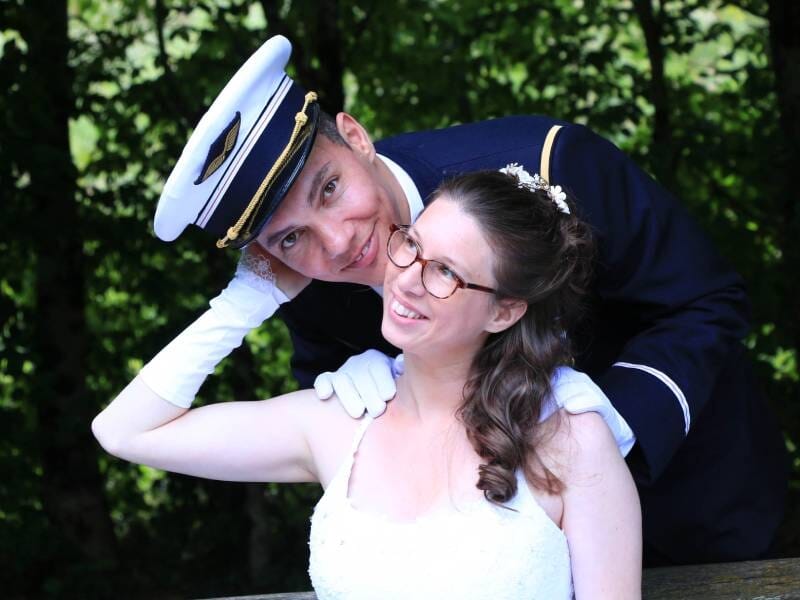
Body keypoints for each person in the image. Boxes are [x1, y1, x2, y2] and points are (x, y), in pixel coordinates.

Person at [146, 35, 786, 565]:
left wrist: (606, 430)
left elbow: (705, 301)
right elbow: (331, 385)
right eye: (289, 237)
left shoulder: (547, 166)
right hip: (501, 551)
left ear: (355, 135)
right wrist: (347, 385)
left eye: (330, 188)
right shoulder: (309, 277)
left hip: (693, 502)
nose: (338, 243)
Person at [93, 170, 642, 599]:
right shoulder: (335, 421)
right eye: (411, 245)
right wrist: (248, 299)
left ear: (504, 311)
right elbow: (124, 431)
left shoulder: (571, 442)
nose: (407, 278)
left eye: (446, 272)